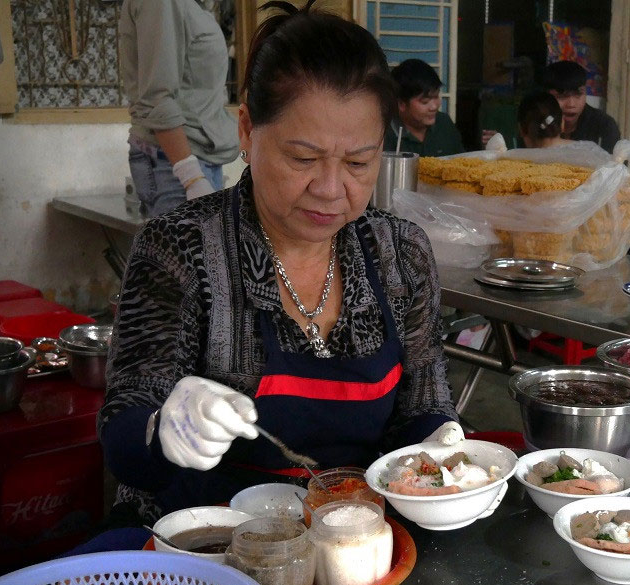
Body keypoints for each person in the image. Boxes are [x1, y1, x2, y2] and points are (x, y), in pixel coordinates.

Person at [100, 2, 463, 526]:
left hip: (356, 541)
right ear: (247, 131)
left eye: (359, 162)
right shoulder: (179, 247)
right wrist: (161, 429)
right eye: (303, 158)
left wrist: (439, 446)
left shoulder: (399, 252)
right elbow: (122, 432)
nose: (332, 188)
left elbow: (423, 401)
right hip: (201, 550)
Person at [119, 0, 239, 218]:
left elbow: (199, 95)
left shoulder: (195, 5)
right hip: (176, 163)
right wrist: (191, 177)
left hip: (195, 157)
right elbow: (157, 97)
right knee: (188, 251)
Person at [384, 59, 464, 157]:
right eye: (425, 102)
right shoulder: (385, 133)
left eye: (436, 97)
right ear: (401, 104)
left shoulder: (444, 123)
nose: (434, 106)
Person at [543, 60, 620, 152]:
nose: (571, 104)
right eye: (562, 96)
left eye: (578, 94)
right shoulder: (536, 123)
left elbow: (617, 164)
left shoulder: (604, 125)